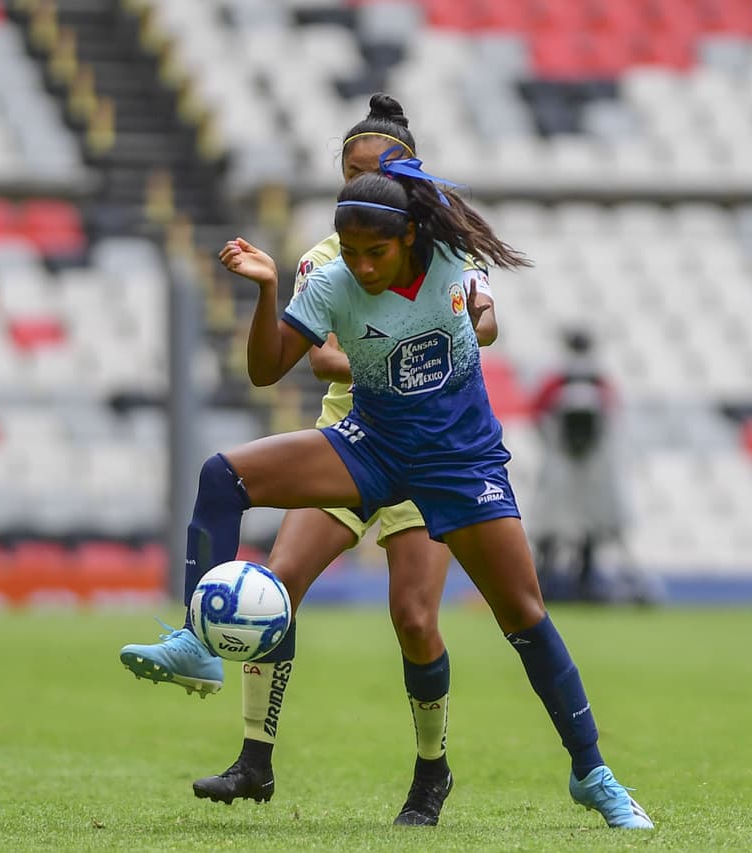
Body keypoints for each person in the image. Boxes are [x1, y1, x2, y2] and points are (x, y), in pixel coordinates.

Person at [125, 155, 653, 829]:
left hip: (460, 462)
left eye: (376, 252)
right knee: (222, 474)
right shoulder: (333, 281)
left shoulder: (452, 261)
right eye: (351, 251)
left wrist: (481, 314)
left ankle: (592, 773)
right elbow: (265, 368)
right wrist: (264, 291)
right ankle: (202, 642)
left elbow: (483, 309)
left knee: (523, 613)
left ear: (409, 238)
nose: (363, 266)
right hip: (369, 446)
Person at [122, 95, 496, 827]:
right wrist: (382, 355)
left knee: (415, 618)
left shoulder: (441, 246)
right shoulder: (326, 259)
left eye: (372, 172)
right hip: (350, 441)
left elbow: (477, 325)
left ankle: (431, 774)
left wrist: (442, 333)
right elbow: (316, 358)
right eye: (347, 172)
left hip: (426, 452)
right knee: (273, 588)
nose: (355, 186)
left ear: (408, 183)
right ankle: (254, 760)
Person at [528, 329, 648, 603]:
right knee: (577, 526)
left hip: (568, 463)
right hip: (581, 464)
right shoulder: (598, 382)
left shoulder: (558, 381)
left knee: (560, 525)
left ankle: (549, 582)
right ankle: (576, 581)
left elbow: (538, 415)